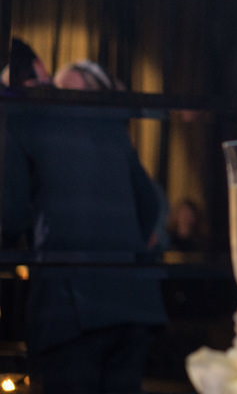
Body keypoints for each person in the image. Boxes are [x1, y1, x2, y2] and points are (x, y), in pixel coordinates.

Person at [2, 54, 167, 393]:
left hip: (71, 310)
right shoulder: (110, 127)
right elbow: (149, 204)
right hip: (132, 304)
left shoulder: (25, 121)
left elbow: (11, 217)